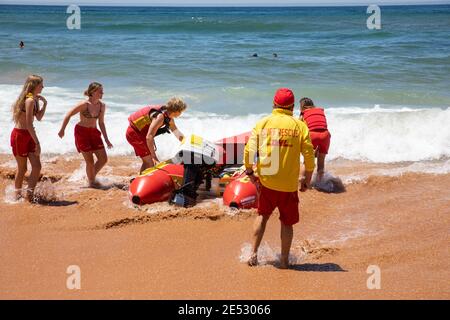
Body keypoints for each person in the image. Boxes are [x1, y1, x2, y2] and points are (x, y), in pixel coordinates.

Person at [244, 88, 315, 269]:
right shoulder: (300, 126)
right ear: (292, 106)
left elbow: (249, 150)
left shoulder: (263, 122)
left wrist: (250, 172)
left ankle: (253, 254)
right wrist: (307, 179)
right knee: (287, 222)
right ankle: (284, 260)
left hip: (267, 182)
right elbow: (309, 156)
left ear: (274, 104)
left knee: (262, 216)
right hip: (289, 185)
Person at [58, 82, 113, 188]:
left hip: (94, 133)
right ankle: (91, 182)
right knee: (90, 161)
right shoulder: (84, 104)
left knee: (103, 159)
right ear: (92, 92)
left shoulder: (102, 106)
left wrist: (106, 139)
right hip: (82, 133)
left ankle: (90, 177)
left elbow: (101, 123)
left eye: (102, 90)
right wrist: (62, 130)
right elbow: (69, 114)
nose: (102, 92)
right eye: (100, 91)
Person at [10, 75, 47, 201]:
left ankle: (29, 196)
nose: (43, 87)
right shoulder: (29, 100)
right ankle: (16, 196)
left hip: (29, 134)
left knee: (36, 166)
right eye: (41, 84)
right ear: (34, 86)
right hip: (20, 136)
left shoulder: (34, 99)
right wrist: (38, 143)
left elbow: (39, 118)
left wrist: (45, 104)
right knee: (22, 168)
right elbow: (29, 123)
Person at [126, 98, 186, 173]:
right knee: (150, 162)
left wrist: (186, 142)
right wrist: (154, 157)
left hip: (139, 133)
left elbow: (177, 133)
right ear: (177, 111)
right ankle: (143, 182)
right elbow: (149, 137)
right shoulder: (160, 117)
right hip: (134, 134)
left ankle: (139, 179)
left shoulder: (169, 118)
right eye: (181, 111)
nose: (181, 113)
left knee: (147, 161)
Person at [299, 97, 331, 183]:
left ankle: (303, 182)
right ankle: (320, 183)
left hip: (312, 135)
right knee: (321, 161)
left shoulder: (303, 114)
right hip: (325, 135)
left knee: (307, 161)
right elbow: (321, 124)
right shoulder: (320, 111)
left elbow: (300, 128)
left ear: (302, 106)